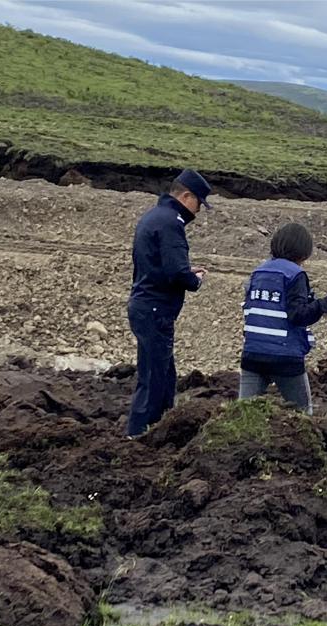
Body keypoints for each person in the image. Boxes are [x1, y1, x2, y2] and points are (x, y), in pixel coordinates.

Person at [125, 169, 212, 438]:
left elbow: (157, 265)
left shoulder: (153, 217)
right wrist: (194, 279)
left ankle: (161, 429)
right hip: (155, 308)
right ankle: (139, 434)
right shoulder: (172, 223)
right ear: (187, 196)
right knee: (154, 377)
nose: (198, 211)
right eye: (199, 203)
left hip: (145, 304)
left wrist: (185, 271)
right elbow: (176, 272)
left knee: (163, 373)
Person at [239, 223, 327, 414]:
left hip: (252, 352)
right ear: (303, 252)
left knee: (243, 412)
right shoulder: (294, 275)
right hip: (285, 355)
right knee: (302, 412)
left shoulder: (258, 273)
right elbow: (299, 315)